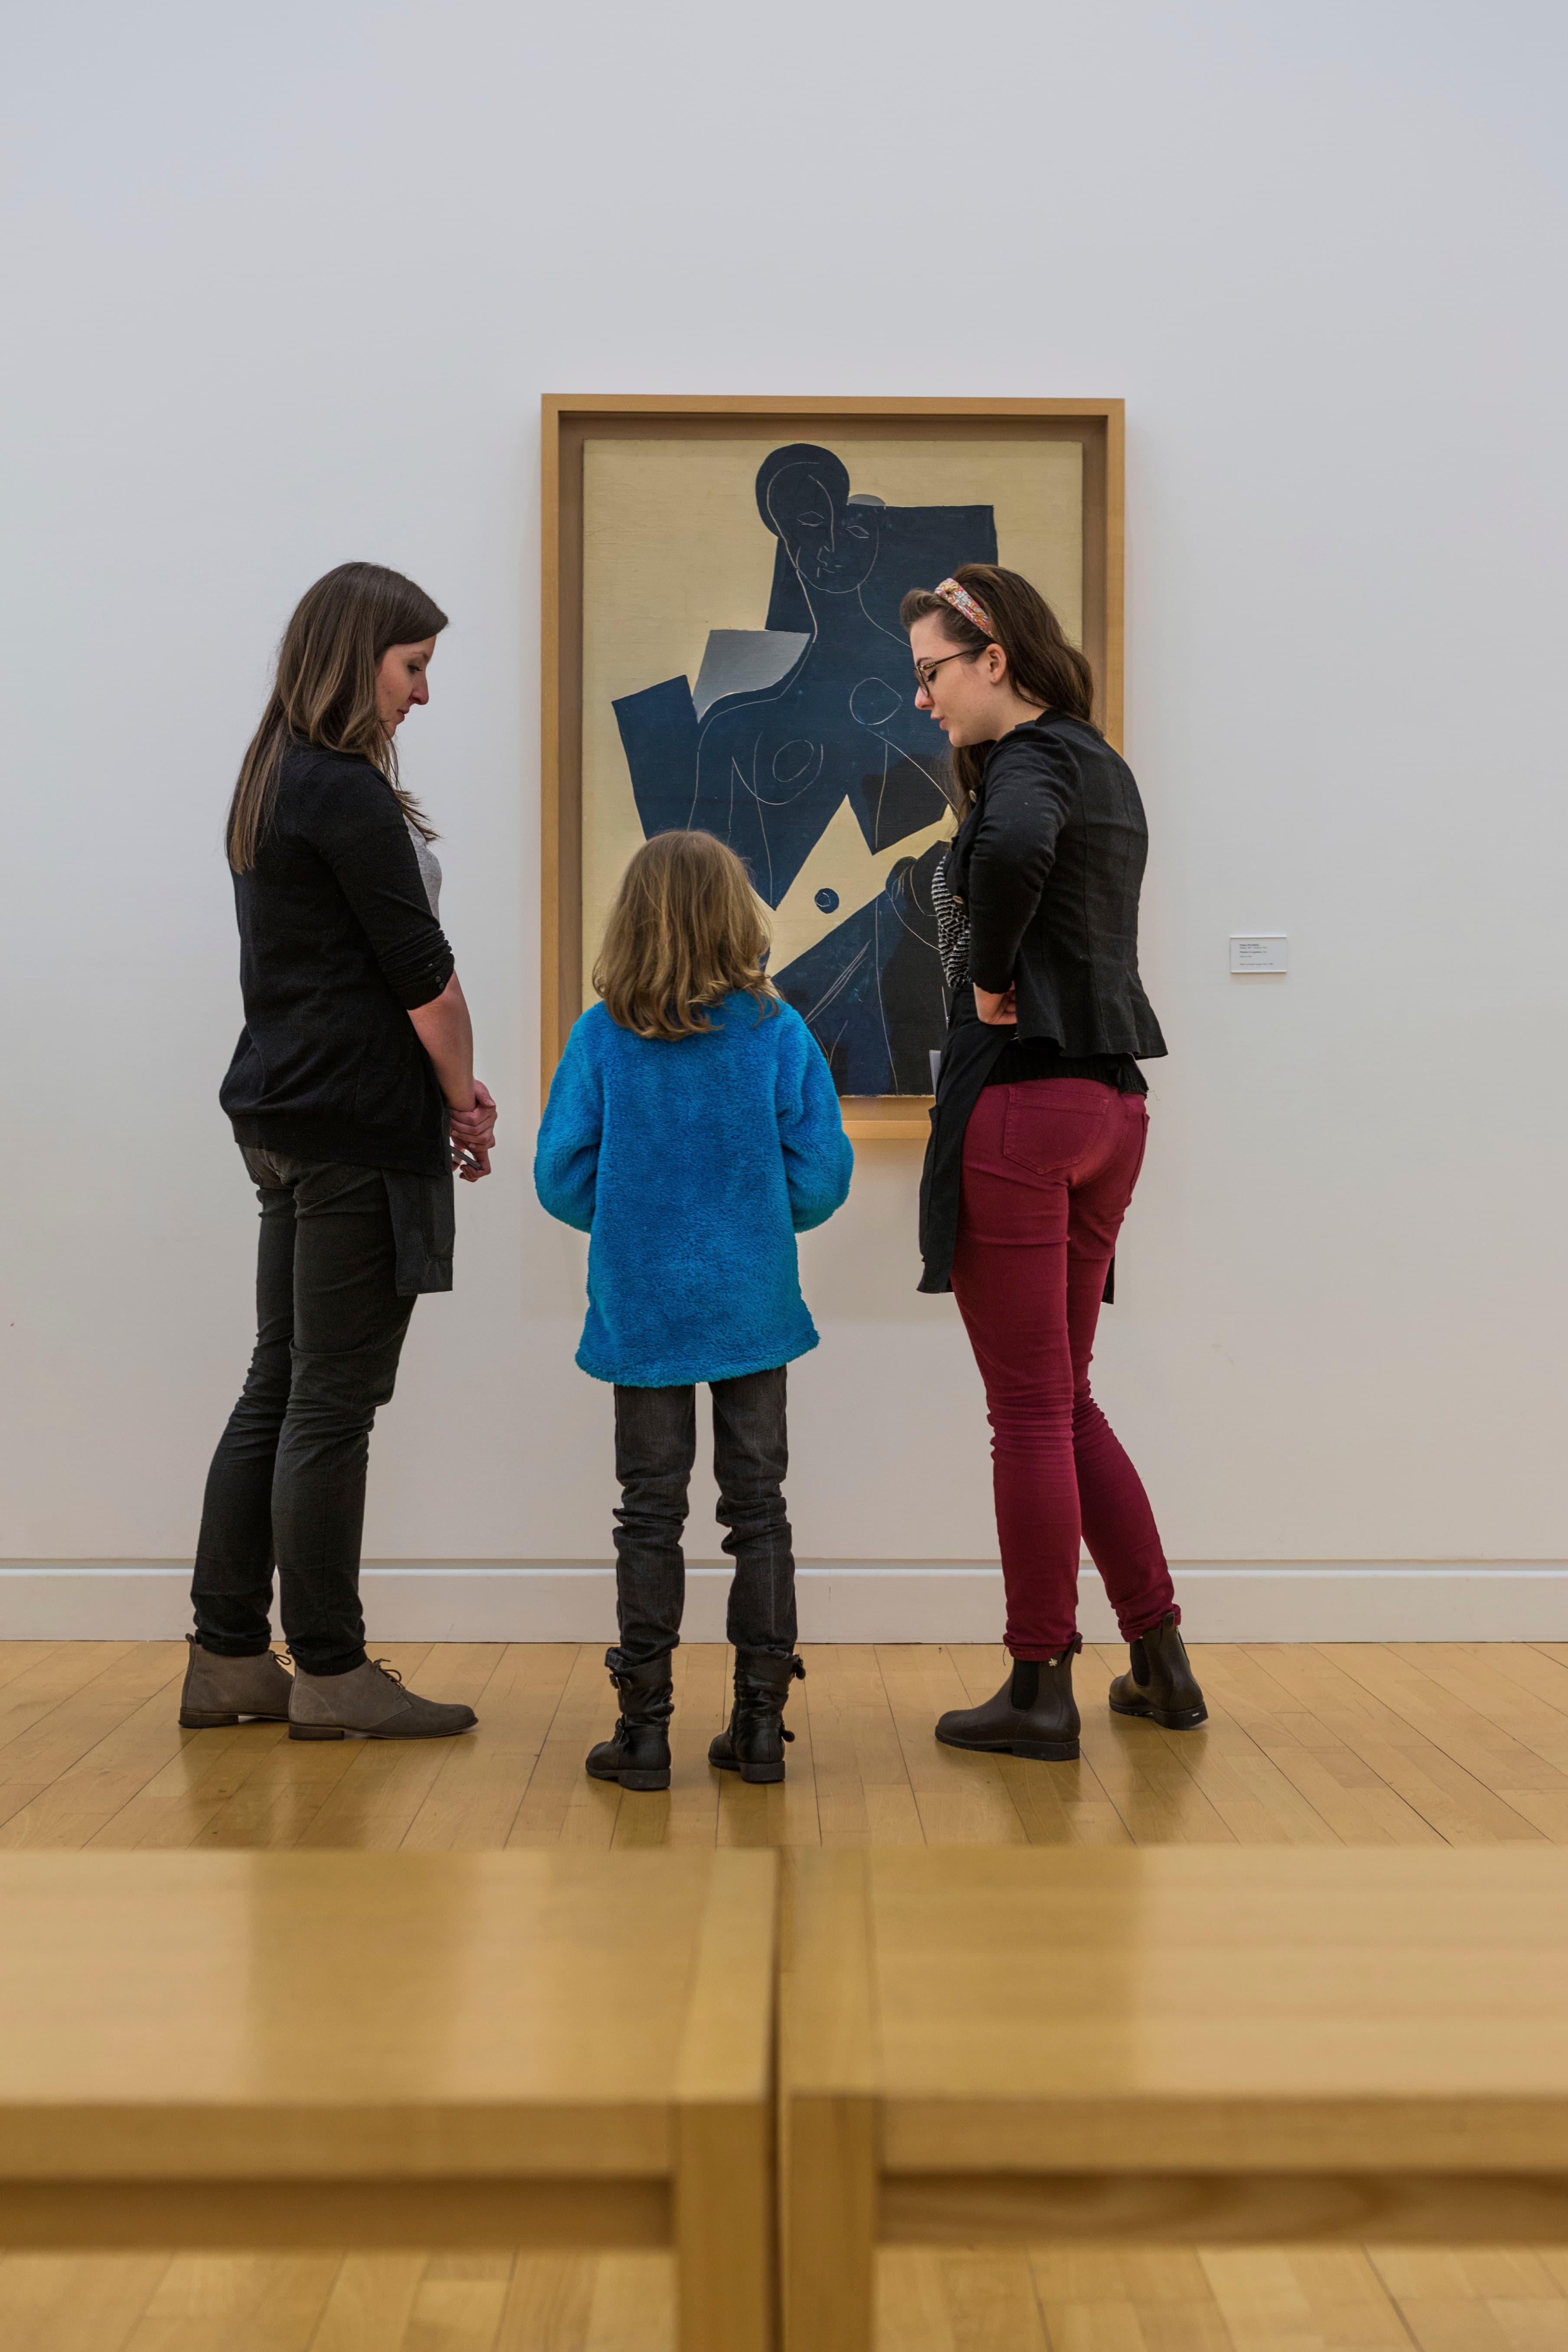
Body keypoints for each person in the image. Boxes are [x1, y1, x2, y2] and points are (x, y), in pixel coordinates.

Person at [180, 562, 497, 1742]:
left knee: (282, 1380)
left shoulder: (271, 780)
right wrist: (462, 1098)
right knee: (331, 1400)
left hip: (284, 1117)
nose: (422, 695)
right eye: (413, 668)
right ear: (360, 656)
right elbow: (427, 977)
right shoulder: (346, 790)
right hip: (357, 1126)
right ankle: (328, 1667)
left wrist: (448, 1084)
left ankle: (225, 1658)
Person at [902, 565, 1205, 1761]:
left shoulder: (1027, 770)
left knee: (1028, 1409)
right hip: (1112, 1106)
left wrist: (988, 982)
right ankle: (1161, 1658)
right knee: (1067, 1396)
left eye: (931, 672)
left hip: (1026, 1102)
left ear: (993, 659)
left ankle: (1039, 1685)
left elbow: (1017, 851)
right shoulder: (1100, 761)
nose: (922, 698)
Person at [534, 829, 853, 1793]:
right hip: (751, 1296)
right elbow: (822, 1177)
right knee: (758, 1510)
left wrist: (631, 1217)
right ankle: (758, 1727)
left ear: (631, 922)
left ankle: (642, 1734)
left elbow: (559, 1177)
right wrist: (759, 1216)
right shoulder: (776, 1030)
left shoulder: (601, 1035)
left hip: (643, 1303)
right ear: (735, 916)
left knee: (648, 1512)